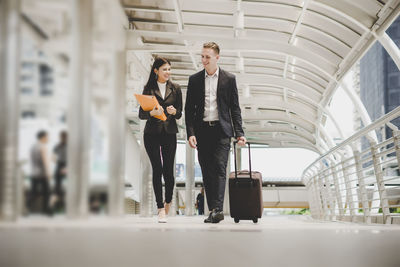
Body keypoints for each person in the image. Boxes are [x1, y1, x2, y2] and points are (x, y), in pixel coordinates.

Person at [185, 42, 246, 223]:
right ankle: (213, 209)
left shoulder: (229, 79)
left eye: (207, 57)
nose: (203, 60)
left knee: (220, 169)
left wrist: (239, 133)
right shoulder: (194, 80)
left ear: (217, 57)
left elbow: (235, 108)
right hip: (202, 131)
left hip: (222, 131)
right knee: (206, 171)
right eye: (202, 56)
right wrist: (190, 133)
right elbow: (189, 110)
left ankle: (217, 209)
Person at [139, 57, 182, 223]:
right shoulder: (148, 89)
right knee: (157, 170)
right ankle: (160, 208)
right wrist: (151, 113)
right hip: (151, 134)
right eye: (164, 69)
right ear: (156, 70)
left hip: (169, 133)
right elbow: (141, 114)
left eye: (169, 69)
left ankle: (168, 201)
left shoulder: (176, 89)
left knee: (168, 171)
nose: (168, 72)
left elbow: (180, 112)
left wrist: (173, 112)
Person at [29, 130, 52, 215]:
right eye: (47, 137)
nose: (48, 139)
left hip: (33, 173)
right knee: (47, 192)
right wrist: (48, 172)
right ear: (43, 137)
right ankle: (46, 210)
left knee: (34, 192)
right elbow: (45, 160)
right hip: (42, 173)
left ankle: (26, 207)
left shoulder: (33, 146)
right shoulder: (42, 147)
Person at [53, 131, 67, 211]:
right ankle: (63, 205)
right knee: (63, 188)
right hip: (67, 166)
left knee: (57, 188)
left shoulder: (57, 146)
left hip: (59, 166)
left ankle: (57, 206)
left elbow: (53, 158)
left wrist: (59, 163)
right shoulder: (69, 146)